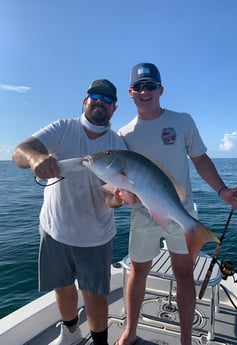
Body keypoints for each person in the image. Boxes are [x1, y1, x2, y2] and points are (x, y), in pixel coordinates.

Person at [115, 63, 237, 345]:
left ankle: (186, 339)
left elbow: (199, 159)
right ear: (130, 93)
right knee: (138, 270)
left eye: (150, 86)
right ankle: (130, 330)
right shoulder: (124, 134)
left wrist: (221, 190)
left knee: (184, 274)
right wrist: (123, 193)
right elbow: (123, 178)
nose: (144, 92)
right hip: (143, 213)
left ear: (161, 90)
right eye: (139, 87)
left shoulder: (182, 121)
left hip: (180, 209)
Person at [12, 79, 127, 345]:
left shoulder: (118, 145)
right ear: (85, 100)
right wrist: (36, 159)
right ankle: (71, 333)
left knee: (95, 295)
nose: (101, 102)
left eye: (108, 100)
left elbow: (110, 196)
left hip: (95, 236)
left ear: (114, 109)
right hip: (54, 229)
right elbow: (19, 152)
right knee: (62, 287)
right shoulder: (63, 128)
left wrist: (118, 198)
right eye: (96, 96)